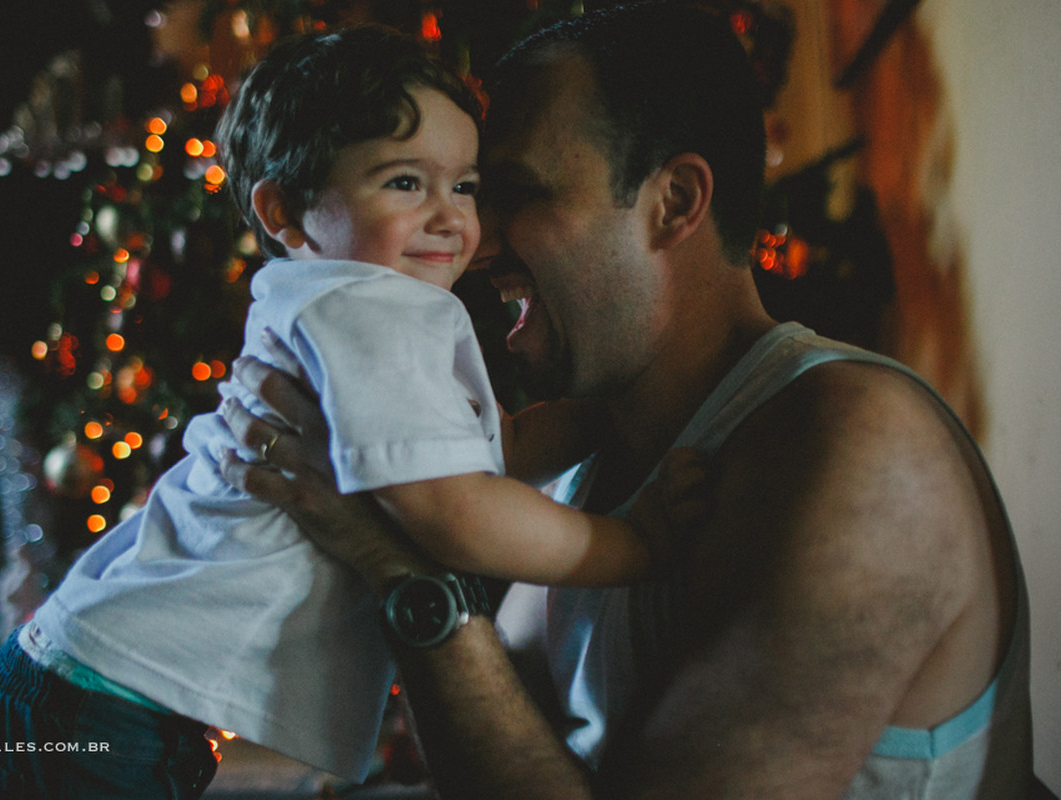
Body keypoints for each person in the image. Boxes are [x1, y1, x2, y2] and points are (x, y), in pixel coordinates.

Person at [219, 4, 1040, 798]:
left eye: (515, 191)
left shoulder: (854, 442)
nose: (474, 243)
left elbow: (455, 655)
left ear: (674, 203)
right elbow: (492, 755)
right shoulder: (593, 460)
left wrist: (393, 556)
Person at [0, 24, 699, 798]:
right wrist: (631, 546)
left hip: (90, 695)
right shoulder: (368, 310)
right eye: (405, 182)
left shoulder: (348, 307)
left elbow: (488, 452)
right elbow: (455, 513)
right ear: (288, 214)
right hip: (97, 715)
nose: (449, 216)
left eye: (465, 185)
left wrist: (611, 411)